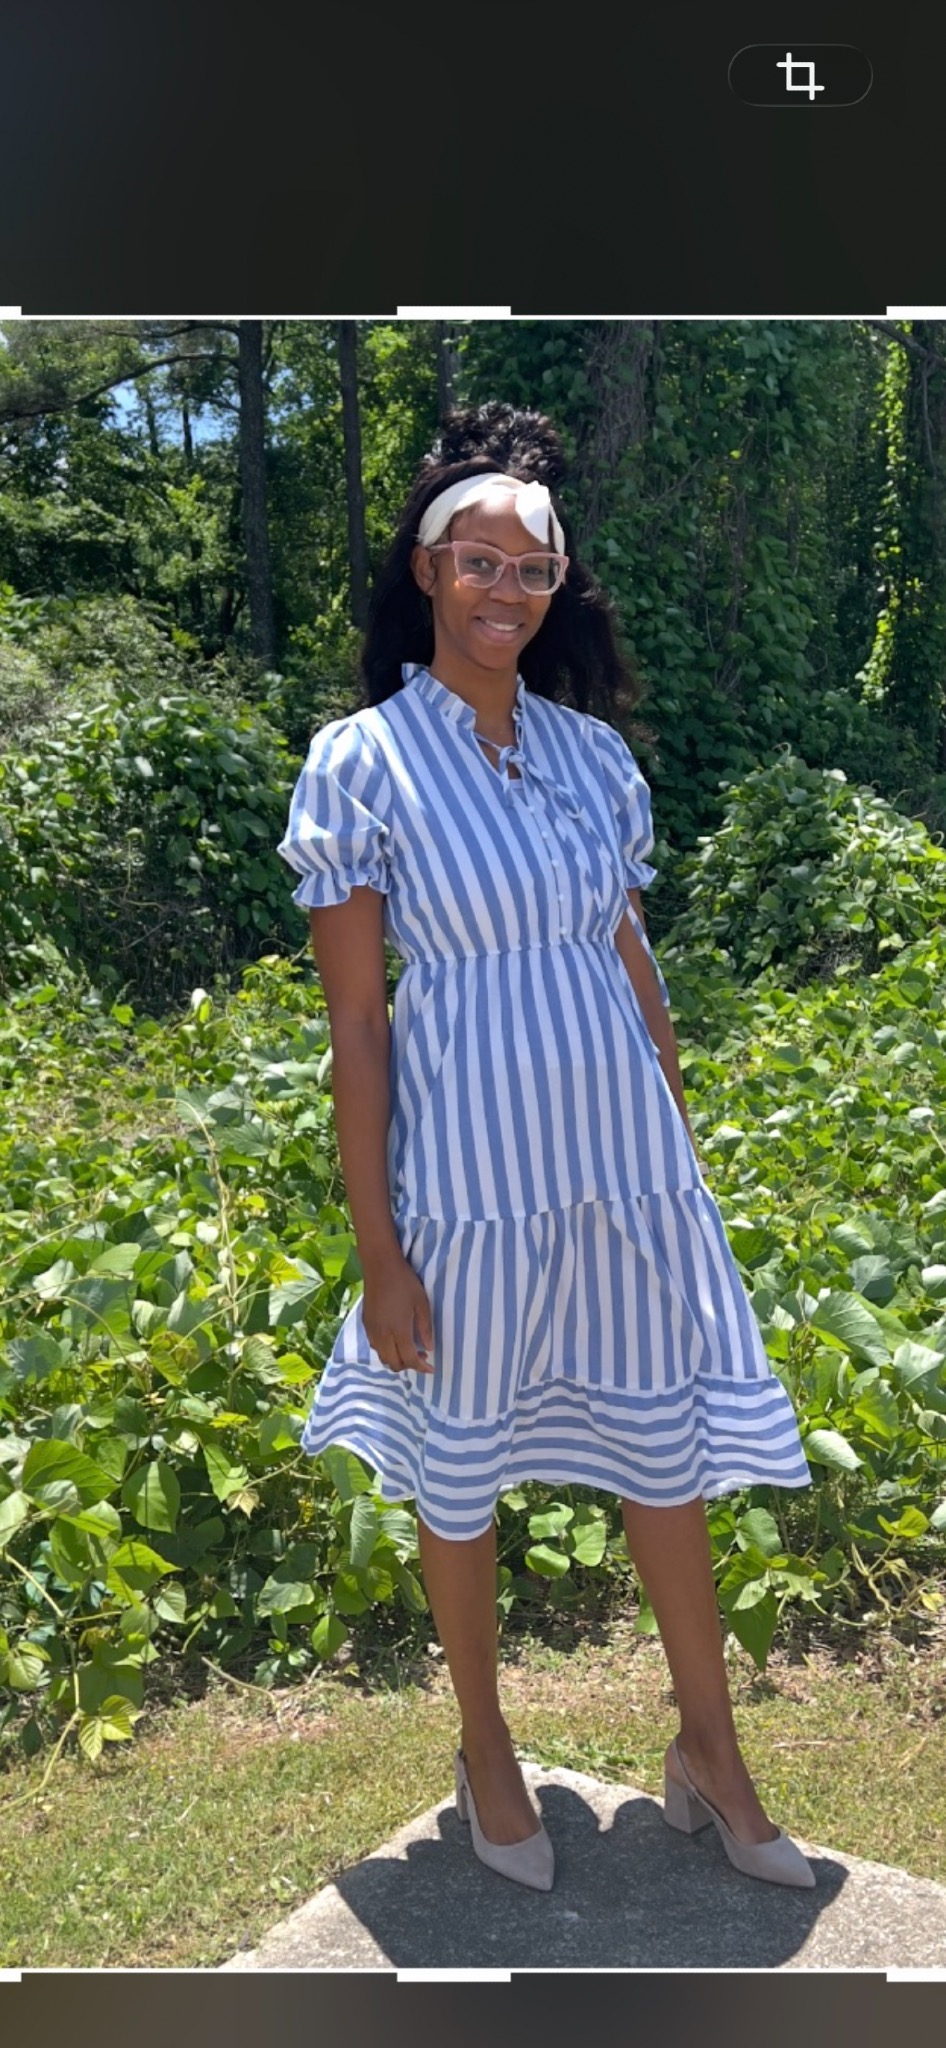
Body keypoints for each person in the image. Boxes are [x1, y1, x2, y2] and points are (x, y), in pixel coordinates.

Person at [277, 401, 815, 1894]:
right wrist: (380, 1251)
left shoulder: (591, 757)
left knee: (665, 1459)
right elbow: (360, 1030)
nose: (504, 589)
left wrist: (677, 1149)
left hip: (624, 1174)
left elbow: (631, 962)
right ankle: (486, 1748)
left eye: (532, 569)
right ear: (427, 570)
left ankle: (711, 1754)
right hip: (470, 1187)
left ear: (557, 586)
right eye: (479, 562)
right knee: (459, 1476)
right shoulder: (361, 763)